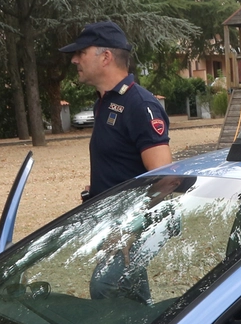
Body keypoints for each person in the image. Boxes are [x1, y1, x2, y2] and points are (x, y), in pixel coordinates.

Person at [60, 21, 172, 200]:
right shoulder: (104, 102)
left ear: (105, 57)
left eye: (81, 52)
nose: (74, 59)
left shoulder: (140, 105)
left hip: (130, 225)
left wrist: (132, 224)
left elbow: (164, 181)